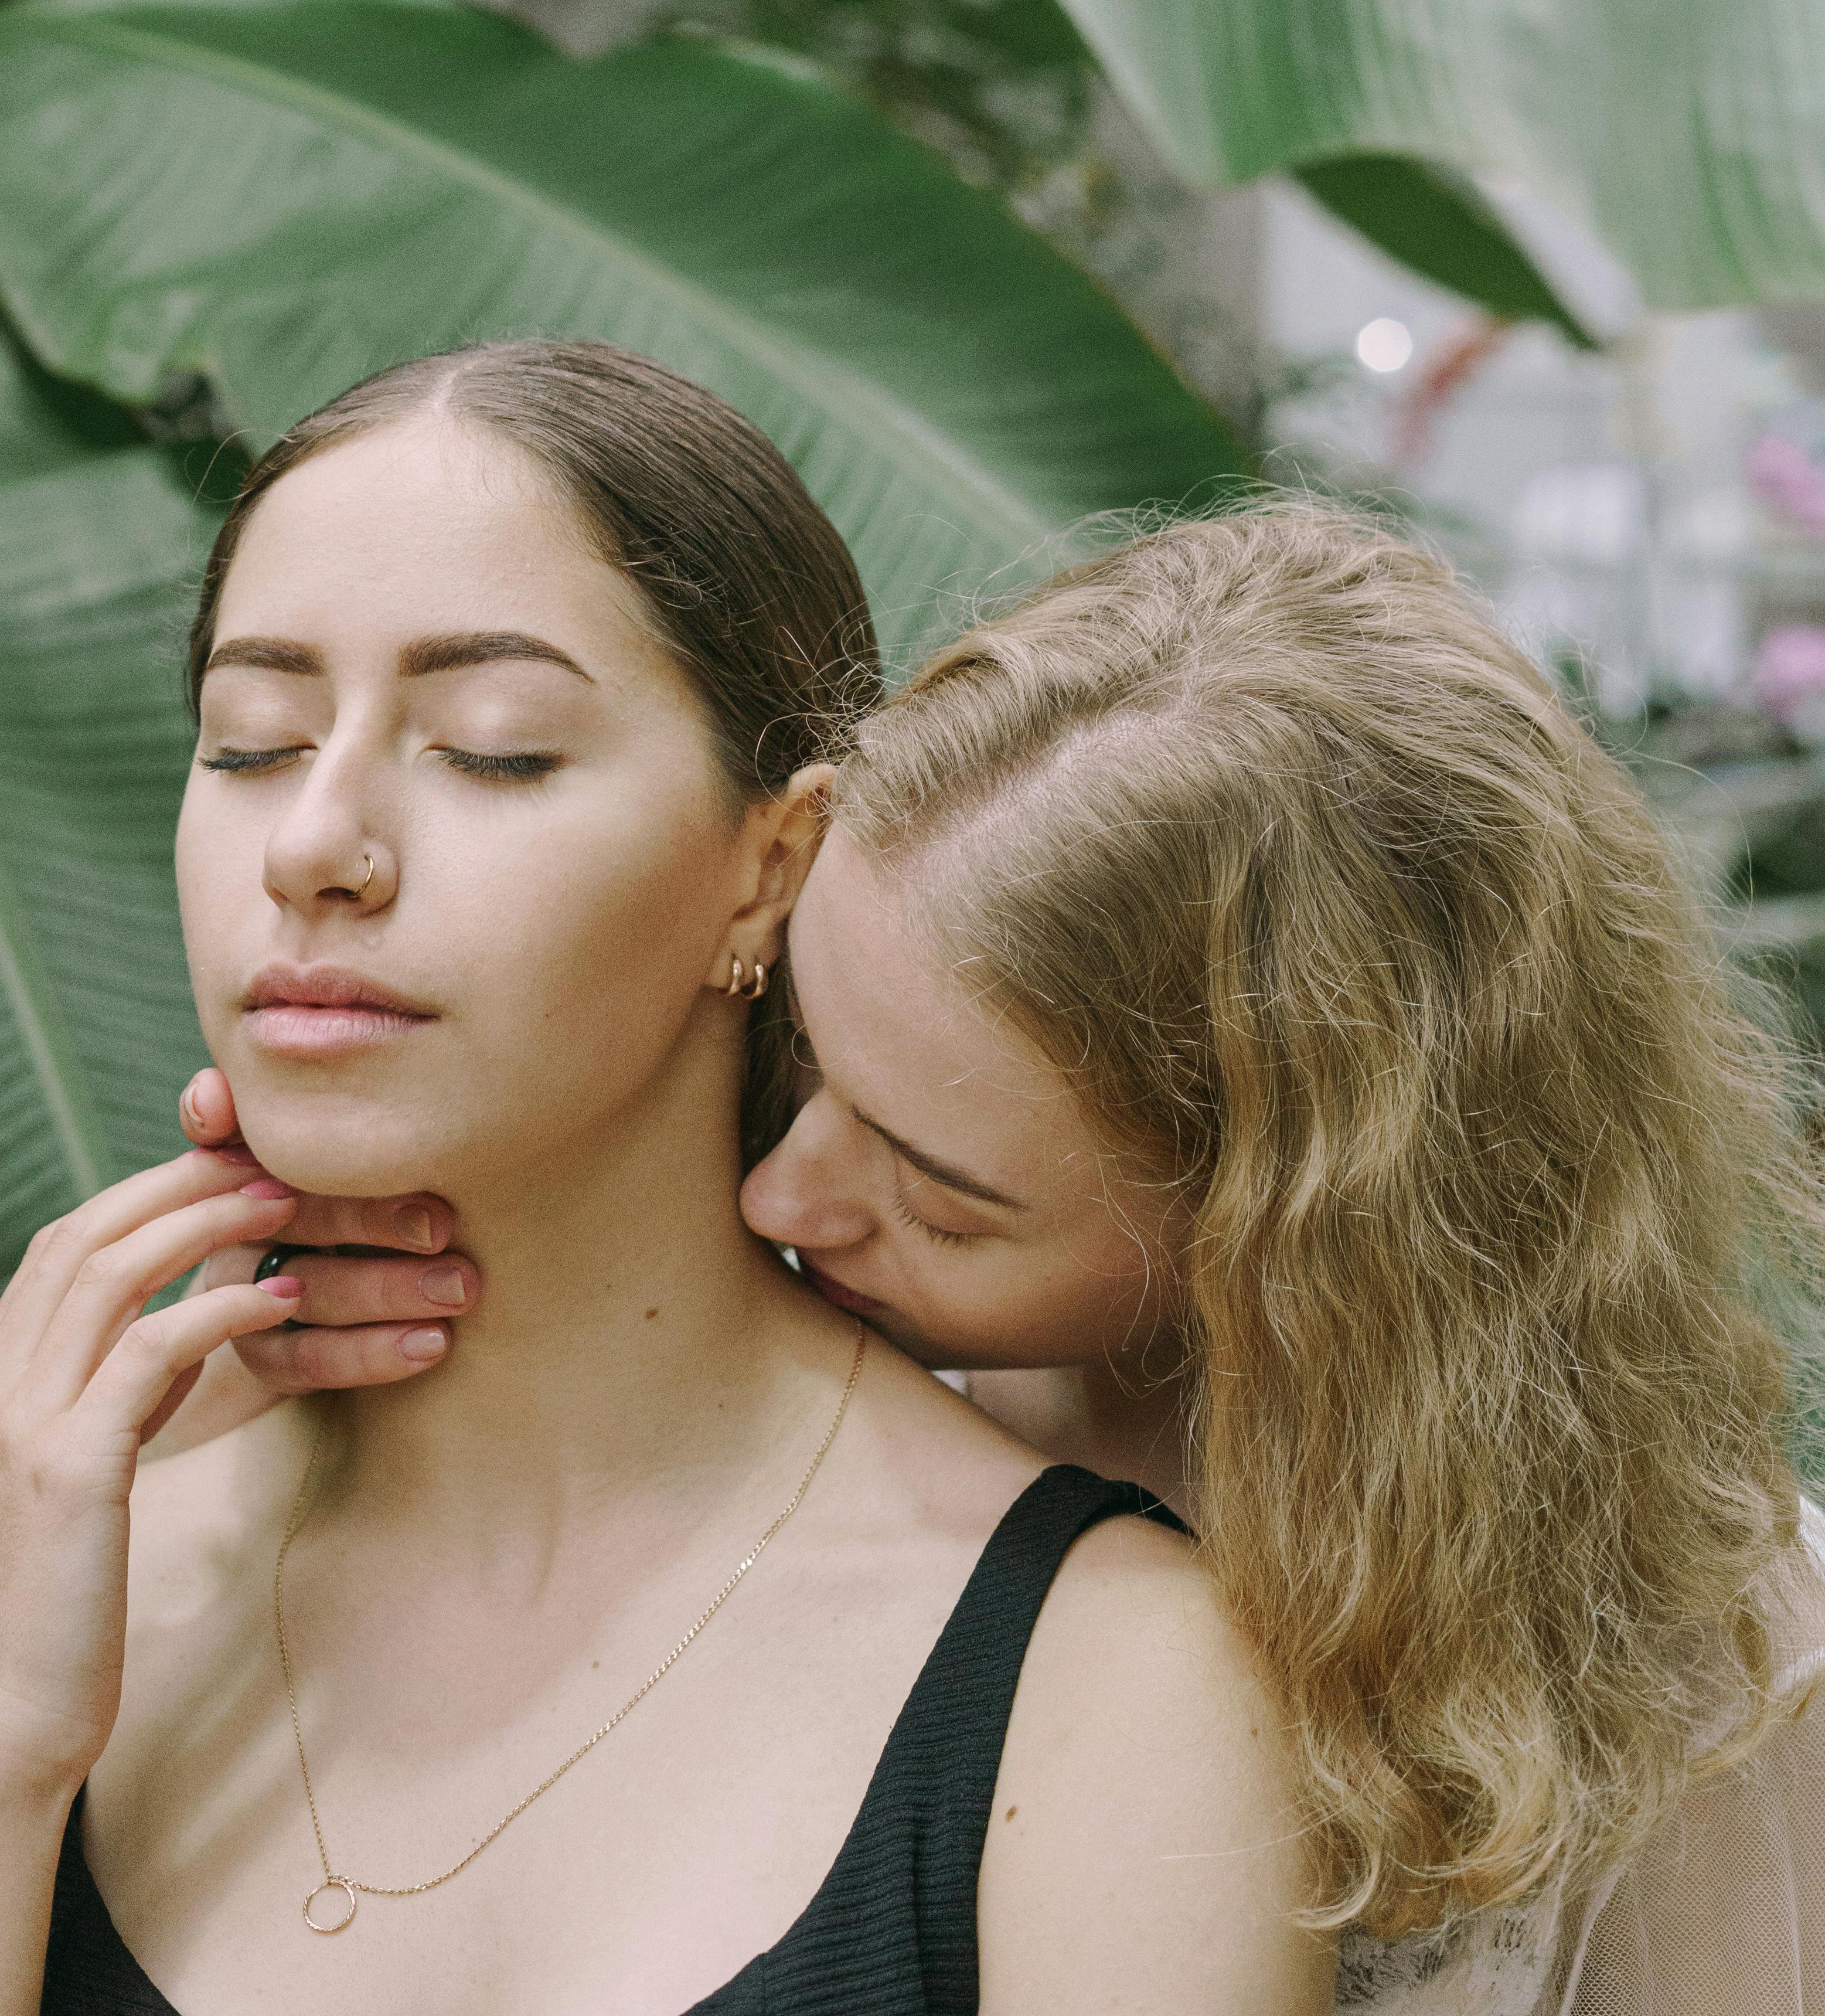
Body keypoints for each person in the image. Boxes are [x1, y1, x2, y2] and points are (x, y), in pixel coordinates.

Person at [0, 342, 1327, 2016]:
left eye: (496, 749)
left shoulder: (1113, 1688)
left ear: (770, 868)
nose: (313, 844)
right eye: (249, 742)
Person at [182, 492, 1825, 2011]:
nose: (783, 1198)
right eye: (812, 1060)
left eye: (943, 1194)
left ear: (1287, 1244)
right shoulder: (825, 1414)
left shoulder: (1713, 1684)